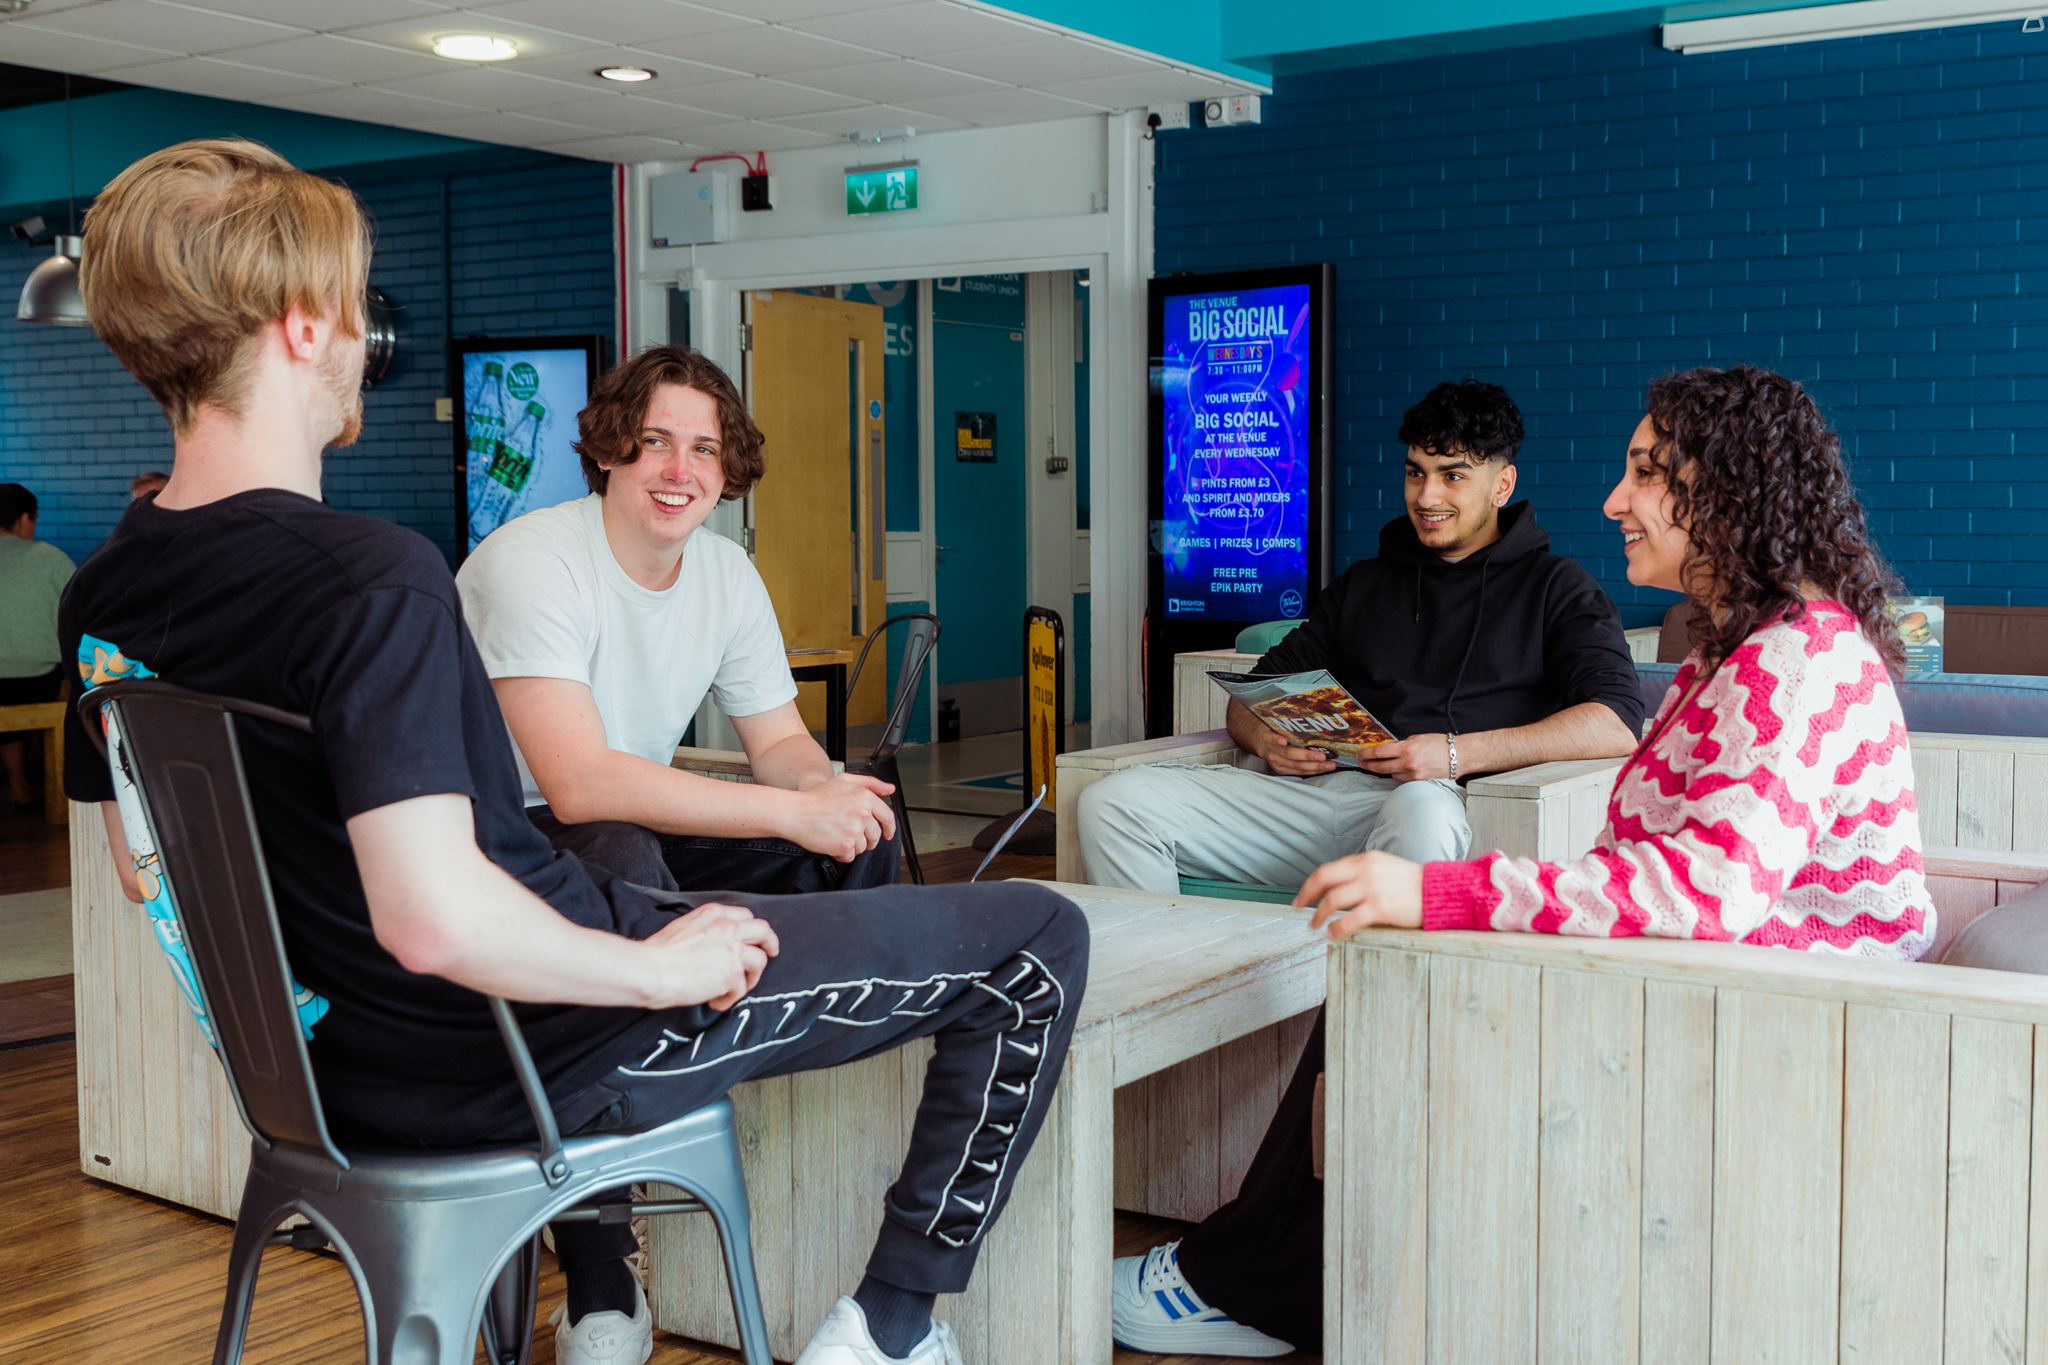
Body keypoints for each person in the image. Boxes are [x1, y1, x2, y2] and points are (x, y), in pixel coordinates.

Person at [63, 138, 1087, 1365]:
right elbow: (433, 921)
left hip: (334, 1083)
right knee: (1036, 941)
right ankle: (889, 1328)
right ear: (298, 325)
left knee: (700, 872)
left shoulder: (108, 592)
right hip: (532, 1045)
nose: (363, 344)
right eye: (357, 311)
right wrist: (655, 966)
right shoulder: (368, 580)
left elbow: (146, 874)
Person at [1126, 366, 1937, 1362]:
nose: (1613, 500)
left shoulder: (1792, 663)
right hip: (1709, 985)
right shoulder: (1733, 652)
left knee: (1393, 971)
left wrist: (1443, 889)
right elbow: (1672, 867)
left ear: (1722, 493)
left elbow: (1704, 889)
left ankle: (1251, 1287)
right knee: (1389, 969)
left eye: (1645, 472)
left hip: (1774, 1024)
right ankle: (1271, 1275)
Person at [1099, 380, 1646, 1358]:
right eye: (1413, 473)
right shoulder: (1365, 582)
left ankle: (1353, 1043)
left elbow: (1611, 720)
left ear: (1501, 481)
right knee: (1118, 802)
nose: (1426, 496)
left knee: (1422, 804)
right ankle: (1168, 1044)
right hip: (1325, 799)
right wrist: (1266, 738)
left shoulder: (1558, 588)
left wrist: (1452, 752)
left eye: (1451, 475)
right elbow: (1251, 697)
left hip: (1439, 814)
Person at [456, 346, 900, 897]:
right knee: (621, 846)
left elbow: (780, 741)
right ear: (608, 452)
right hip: (489, 835)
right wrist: (787, 814)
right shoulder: (530, 561)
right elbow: (578, 785)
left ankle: (833, 984)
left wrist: (820, 796)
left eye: (705, 449)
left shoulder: (727, 572)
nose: (679, 471)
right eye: (655, 441)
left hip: (632, 823)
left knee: (863, 832)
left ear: (725, 469)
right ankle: (687, 980)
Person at [0, 483, 75, 806]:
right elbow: (78, 614)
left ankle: (16, 781)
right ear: (24, 519)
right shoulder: (51, 559)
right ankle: (38, 781)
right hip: (37, 680)